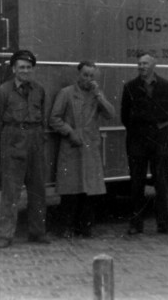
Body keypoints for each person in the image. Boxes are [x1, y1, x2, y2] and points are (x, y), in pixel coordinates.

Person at [0, 49, 50, 248]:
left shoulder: (39, 90)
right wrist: (5, 145)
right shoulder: (3, 91)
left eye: (29, 67)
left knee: (38, 190)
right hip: (12, 143)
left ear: (33, 69)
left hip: (35, 143)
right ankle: (5, 235)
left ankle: (37, 232)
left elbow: (44, 119)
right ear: (14, 69)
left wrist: (38, 139)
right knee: (10, 193)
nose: (25, 71)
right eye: (21, 67)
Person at [50, 61, 115, 239]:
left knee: (88, 191)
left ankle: (84, 228)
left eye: (91, 76)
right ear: (78, 75)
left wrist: (99, 95)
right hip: (72, 148)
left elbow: (111, 115)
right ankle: (65, 228)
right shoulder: (67, 93)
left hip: (90, 148)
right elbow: (54, 118)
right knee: (70, 192)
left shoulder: (96, 95)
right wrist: (70, 132)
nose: (87, 79)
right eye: (85, 75)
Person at [121, 51, 168, 235]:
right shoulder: (130, 87)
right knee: (136, 184)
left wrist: (159, 128)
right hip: (137, 141)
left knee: (161, 183)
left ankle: (165, 224)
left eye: (145, 63)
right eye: (139, 64)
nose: (141, 67)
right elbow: (125, 116)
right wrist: (140, 129)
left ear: (154, 65)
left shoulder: (167, 86)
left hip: (160, 141)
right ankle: (136, 225)